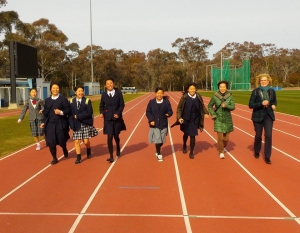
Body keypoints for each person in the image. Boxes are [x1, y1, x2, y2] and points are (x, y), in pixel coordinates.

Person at [172, 82, 209, 159]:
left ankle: (191, 152)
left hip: (195, 118)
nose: (192, 90)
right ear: (188, 89)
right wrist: (179, 118)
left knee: (193, 135)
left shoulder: (198, 96)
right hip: (185, 118)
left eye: (194, 89)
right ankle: (184, 144)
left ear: (195, 89)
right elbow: (179, 108)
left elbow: (202, 106)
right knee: (186, 133)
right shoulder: (184, 97)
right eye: (191, 89)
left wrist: (206, 113)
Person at [40, 81, 71, 165]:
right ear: (50, 89)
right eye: (53, 88)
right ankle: (54, 158)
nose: (55, 90)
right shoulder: (47, 100)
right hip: (50, 124)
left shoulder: (63, 99)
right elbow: (46, 113)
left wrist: (60, 112)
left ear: (59, 89)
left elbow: (68, 110)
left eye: (57, 88)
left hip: (60, 123)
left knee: (61, 140)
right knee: (50, 142)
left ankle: (64, 148)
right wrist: (43, 122)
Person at [249, 74, 277, 164]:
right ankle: (257, 151)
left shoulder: (272, 91)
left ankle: (267, 156)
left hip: (269, 116)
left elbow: (274, 101)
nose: (263, 82)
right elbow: (251, 105)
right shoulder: (255, 91)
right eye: (262, 80)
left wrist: (273, 105)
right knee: (258, 135)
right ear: (259, 82)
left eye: (265, 80)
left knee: (268, 135)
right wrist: (261, 103)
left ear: (268, 81)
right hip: (258, 116)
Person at [69, 85, 98, 164]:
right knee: (77, 141)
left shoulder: (87, 100)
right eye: (79, 91)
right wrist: (71, 124)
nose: (81, 92)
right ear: (75, 92)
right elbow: (70, 114)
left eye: (82, 91)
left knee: (85, 141)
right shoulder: (71, 101)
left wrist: (78, 116)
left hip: (85, 124)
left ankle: (88, 149)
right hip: (76, 124)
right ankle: (78, 157)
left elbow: (89, 113)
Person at [99, 77, 126, 163]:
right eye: (107, 83)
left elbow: (122, 105)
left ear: (113, 84)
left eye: (111, 83)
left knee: (116, 136)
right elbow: (101, 105)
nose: (109, 85)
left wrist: (118, 113)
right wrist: (102, 112)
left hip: (116, 118)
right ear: (105, 85)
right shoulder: (104, 94)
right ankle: (111, 156)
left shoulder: (118, 93)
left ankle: (118, 146)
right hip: (108, 119)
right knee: (109, 136)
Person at [208, 80, 235, 159]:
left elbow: (233, 107)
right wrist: (213, 114)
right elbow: (210, 106)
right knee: (220, 137)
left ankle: (223, 146)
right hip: (218, 118)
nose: (222, 88)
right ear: (218, 87)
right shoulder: (215, 96)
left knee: (226, 138)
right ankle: (221, 151)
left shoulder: (230, 96)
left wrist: (226, 105)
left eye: (224, 87)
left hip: (227, 119)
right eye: (221, 87)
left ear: (226, 87)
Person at [146, 87, 173, 162]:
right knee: (158, 139)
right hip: (155, 124)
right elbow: (148, 112)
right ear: (155, 93)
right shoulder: (151, 102)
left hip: (163, 123)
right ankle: (159, 153)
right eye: (158, 93)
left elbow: (170, 111)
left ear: (163, 94)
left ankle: (157, 149)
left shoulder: (166, 102)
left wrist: (168, 114)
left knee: (162, 140)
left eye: (161, 93)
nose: (159, 95)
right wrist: (151, 120)